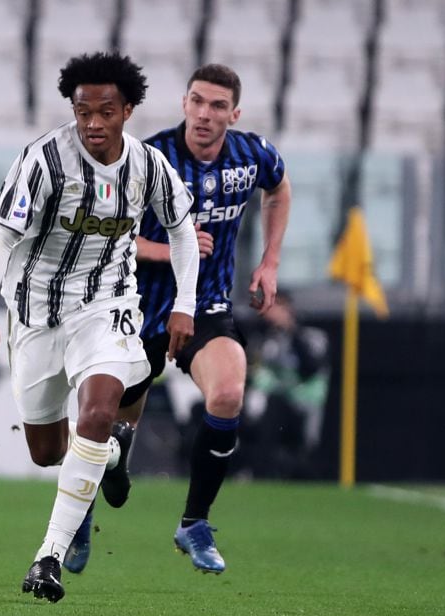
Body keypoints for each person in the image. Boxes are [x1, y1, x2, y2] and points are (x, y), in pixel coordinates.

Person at [0, 51, 199, 603]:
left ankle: (47, 557)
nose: (93, 123)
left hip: (105, 304)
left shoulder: (148, 166)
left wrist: (185, 304)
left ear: (128, 110)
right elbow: (0, 236)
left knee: (96, 410)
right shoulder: (45, 160)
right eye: (83, 111)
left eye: (106, 111)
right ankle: (113, 455)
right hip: (35, 313)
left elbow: (183, 232)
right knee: (48, 452)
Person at [112, 63, 292, 574]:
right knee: (111, 426)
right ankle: (81, 509)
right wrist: (171, 247)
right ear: (184, 103)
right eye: (196, 101)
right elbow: (111, 231)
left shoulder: (251, 154)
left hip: (208, 305)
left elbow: (279, 189)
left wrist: (270, 261)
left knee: (229, 392)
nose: (204, 114)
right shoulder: (147, 157)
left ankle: (194, 523)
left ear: (234, 114)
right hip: (139, 306)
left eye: (217, 106)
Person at [239, 290, 329, 479]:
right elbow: (249, 366)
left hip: (299, 403)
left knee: (275, 406)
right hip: (261, 406)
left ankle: (265, 472)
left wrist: (290, 329)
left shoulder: (309, 336)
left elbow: (311, 368)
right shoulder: (263, 337)